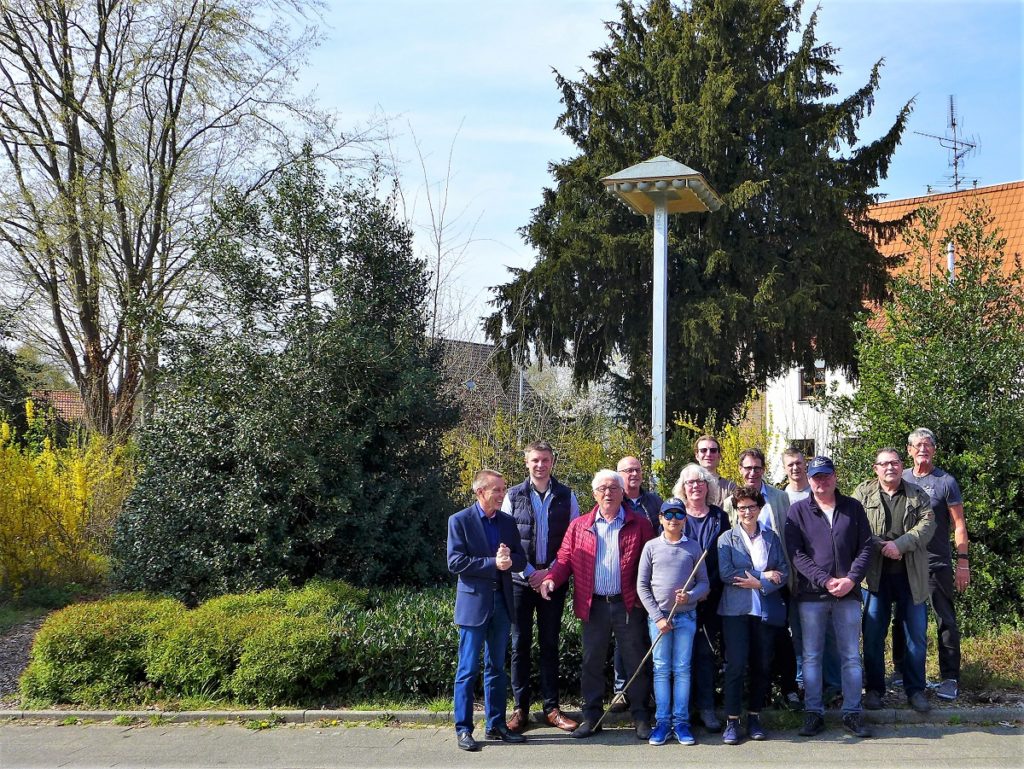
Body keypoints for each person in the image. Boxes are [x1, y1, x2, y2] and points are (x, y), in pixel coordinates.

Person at [540, 470, 655, 740]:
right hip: (593, 606)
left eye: (614, 488)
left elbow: (653, 562)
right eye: (602, 488)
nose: (608, 493)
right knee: (591, 662)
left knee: (635, 660)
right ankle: (591, 717)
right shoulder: (579, 526)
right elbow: (564, 558)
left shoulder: (640, 525)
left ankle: (640, 716)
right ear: (594, 494)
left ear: (622, 492)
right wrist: (550, 579)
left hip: (628, 604)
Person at [784, 456, 873, 739]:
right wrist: (824, 579)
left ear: (835, 476)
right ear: (808, 480)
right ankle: (813, 713)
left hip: (848, 594)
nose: (821, 482)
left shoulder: (853, 508)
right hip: (811, 596)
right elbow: (796, 554)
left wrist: (850, 579)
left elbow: (867, 548)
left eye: (825, 476)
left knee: (850, 656)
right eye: (815, 477)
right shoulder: (797, 511)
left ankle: (852, 713)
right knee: (811, 657)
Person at [501, 440, 580, 733]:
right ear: (526, 462)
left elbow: (573, 541)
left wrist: (550, 575)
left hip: (553, 583)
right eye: (535, 460)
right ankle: (520, 709)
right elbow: (507, 541)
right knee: (519, 643)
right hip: (520, 582)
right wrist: (533, 573)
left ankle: (551, 709)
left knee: (549, 644)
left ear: (552, 462)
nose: (540, 465)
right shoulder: (513, 496)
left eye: (545, 460)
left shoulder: (567, 496)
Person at [447, 470, 528, 751]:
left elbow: (521, 558)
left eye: (503, 489)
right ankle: (464, 729)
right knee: (467, 669)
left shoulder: (507, 522)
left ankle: (496, 725)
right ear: (481, 491)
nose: (503, 494)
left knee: (496, 668)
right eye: (497, 489)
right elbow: (455, 562)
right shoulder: (459, 521)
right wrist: (492, 563)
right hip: (474, 605)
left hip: (503, 603)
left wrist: (509, 561)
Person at [854, 448, 935, 714]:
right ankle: (875, 689)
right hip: (875, 579)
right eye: (884, 464)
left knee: (916, 636)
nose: (890, 467)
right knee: (874, 634)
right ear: (875, 468)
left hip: (911, 578)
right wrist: (881, 545)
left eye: (895, 463)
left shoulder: (917, 494)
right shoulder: (862, 494)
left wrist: (900, 545)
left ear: (902, 466)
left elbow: (927, 525)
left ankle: (915, 690)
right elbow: (853, 526)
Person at [722, 448, 799, 709]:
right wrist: (758, 577)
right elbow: (729, 548)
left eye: (757, 467)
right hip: (742, 587)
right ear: (740, 470)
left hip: (776, 580)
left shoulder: (779, 497)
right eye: (747, 468)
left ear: (763, 469)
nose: (752, 472)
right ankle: (756, 697)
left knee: (780, 639)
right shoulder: (731, 501)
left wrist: (772, 579)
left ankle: (787, 689)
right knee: (745, 649)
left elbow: (785, 537)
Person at [717, 484, 790, 745]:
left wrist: (762, 584)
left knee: (762, 665)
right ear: (735, 511)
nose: (746, 512)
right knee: (735, 665)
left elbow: (783, 571)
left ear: (760, 508)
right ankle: (732, 721)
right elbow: (726, 573)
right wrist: (761, 575)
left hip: (765, 609)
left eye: (751, 507)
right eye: (741, 508)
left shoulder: (771, 537)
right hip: (735, 611)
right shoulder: (726, 539)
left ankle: (755, 716)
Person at [900, 427, 968, 701]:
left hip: (937, 563)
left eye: (927, 445)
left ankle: (950, 677)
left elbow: (959, 523)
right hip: (905, 562)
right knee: (901, 619)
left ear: (935, 450)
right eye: (917, 445)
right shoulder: (901, 477)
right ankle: (902, 673)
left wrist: (962, 562)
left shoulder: (946, 482)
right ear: (909, 450)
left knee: (945, 620)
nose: (922, 449)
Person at [636, 498, 710, 746]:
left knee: (682, 669)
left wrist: (690, 595)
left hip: (686, 616)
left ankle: (681, 722)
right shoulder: (651, 547)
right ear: (660, 518)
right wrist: (657, 617)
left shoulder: (693, 547)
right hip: (659, 620)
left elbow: (704, 584)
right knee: (661, 670)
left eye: (679, 515)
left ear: (685, 519)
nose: (673, 519)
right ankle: (663, 722)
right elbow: (642, 585)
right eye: (668, 515)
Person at [672, 462, 731, 732]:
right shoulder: (674, 515)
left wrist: (707, 588)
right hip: (680, 598)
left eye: (700, 481)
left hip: (710, 597)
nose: (695, 486)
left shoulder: (719, 517)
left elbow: (725, 556)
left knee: (705, 654)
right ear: (683, 488)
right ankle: (679, 711)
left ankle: (706, 708)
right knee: (679, 656)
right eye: (690, 482)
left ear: (708, 486)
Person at [610, 455, 664, 709]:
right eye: (628, 470)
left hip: (652, 579)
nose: (634, 474)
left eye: (637, 470)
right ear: (619, 475)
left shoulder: (653, 502)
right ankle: (621, 689)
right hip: (623, 579)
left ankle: (647, 691)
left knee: (646, 637)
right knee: (625, 637)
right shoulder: (614, 501)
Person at [695, 434, 736, 507]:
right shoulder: (689, 485)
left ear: (719, 456)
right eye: (703, 450)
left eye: (713, 450)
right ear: (697, 456)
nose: (708, 454)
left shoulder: (730, 488)